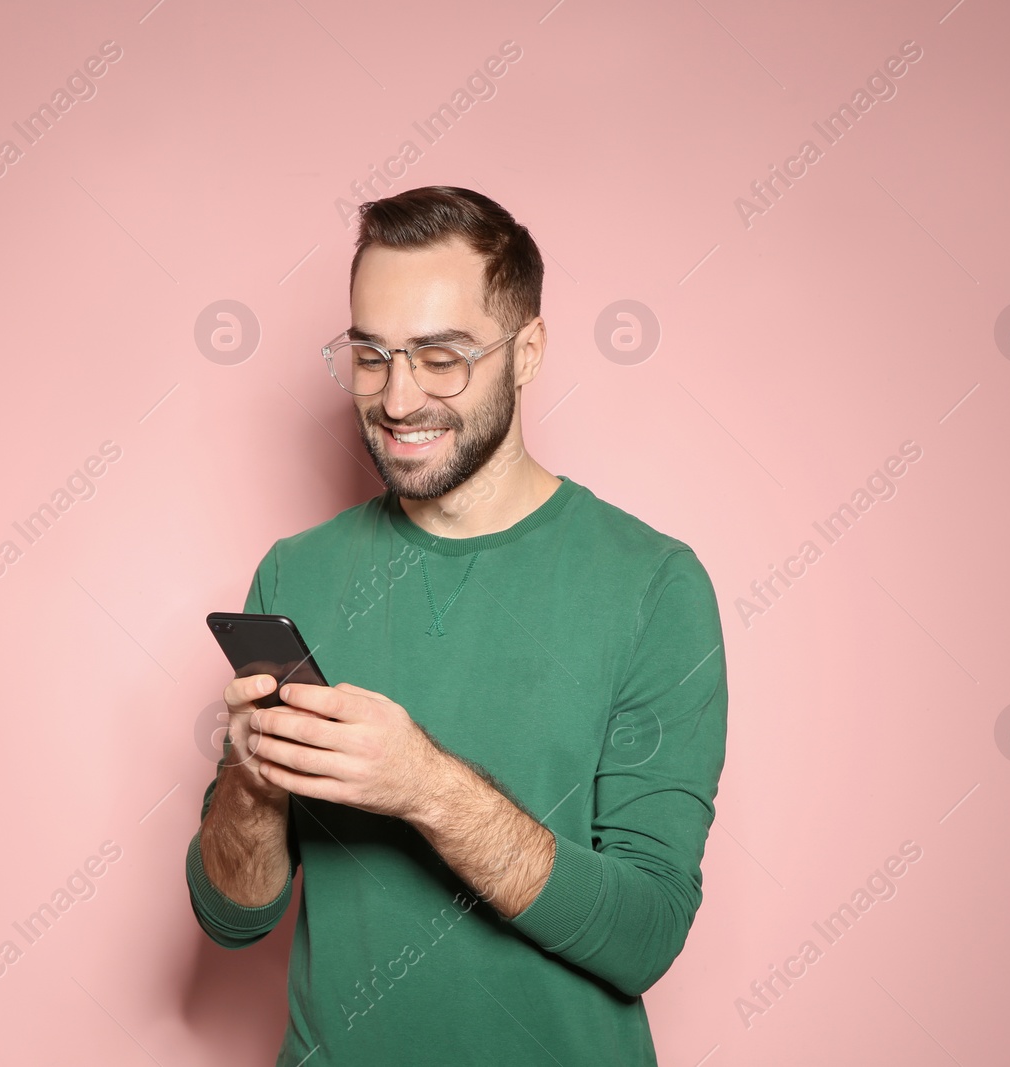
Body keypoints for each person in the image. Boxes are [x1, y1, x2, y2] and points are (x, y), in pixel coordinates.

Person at [185, 185, 728, 1065]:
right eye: (371, 355)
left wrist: (424, 786)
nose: (398, 399)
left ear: (527, 351)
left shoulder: (654, 584)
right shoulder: (295, 573)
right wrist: (253, 785)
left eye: (441, 357)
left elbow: (646, 936)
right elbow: (232, 920)